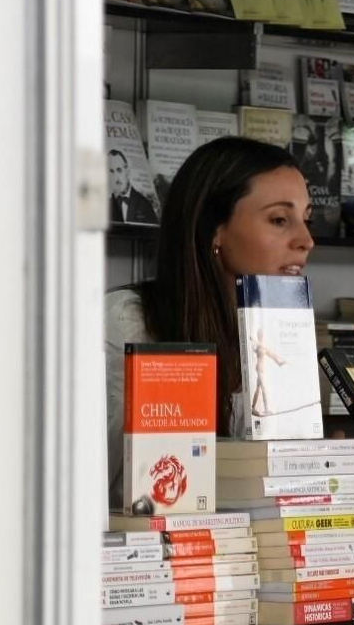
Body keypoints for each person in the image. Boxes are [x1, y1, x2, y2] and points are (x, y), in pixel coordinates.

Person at [105, 136, 315, 507]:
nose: (306, 240)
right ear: (215, 231)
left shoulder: (279, 330)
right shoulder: (125, 324)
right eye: (280, 220)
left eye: (307, 219)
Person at [107, 148, 159, 227]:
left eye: (119, 170)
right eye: (111, 171)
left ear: (127, 171)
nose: (116, 177)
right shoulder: (106, 206)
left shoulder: (145, 204)